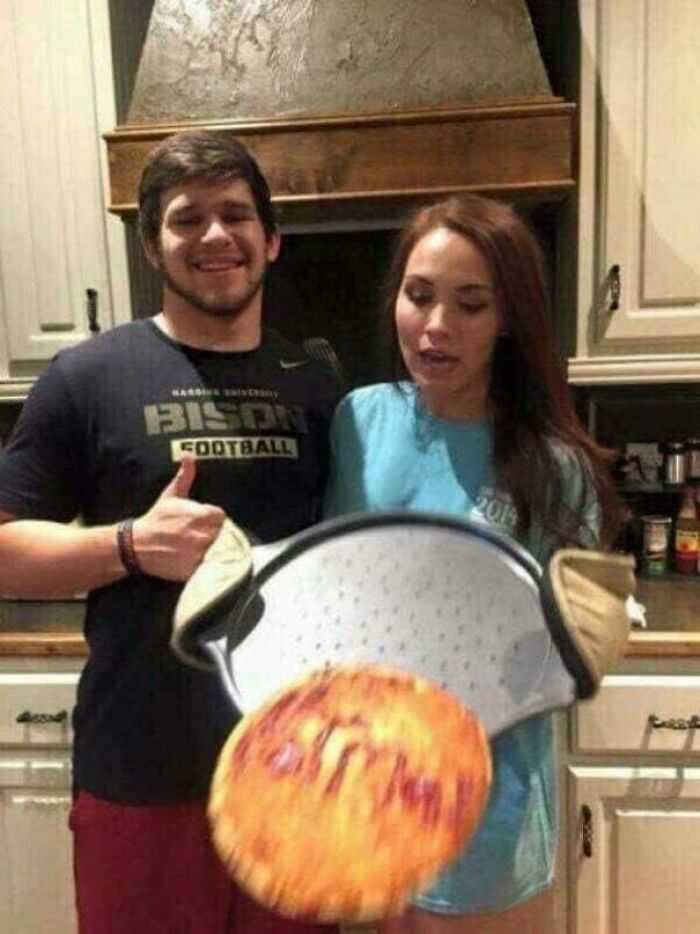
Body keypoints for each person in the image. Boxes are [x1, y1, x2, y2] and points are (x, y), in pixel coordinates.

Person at [0, 130, 340, 934]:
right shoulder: (87, 378)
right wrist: (126, 546)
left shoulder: (318, 387)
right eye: (188, 219)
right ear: (153, 243)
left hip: (293, 772)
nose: (216, 236)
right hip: (141, 771)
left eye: (236, 215)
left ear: (272, 239)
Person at [323, 194, 619, 934]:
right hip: (365, 800)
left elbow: (574, 651)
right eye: (418, 295)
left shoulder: (554, 466)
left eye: (470, 304)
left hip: (488, 807)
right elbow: (334, 586)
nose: (435, 327)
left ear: (509, 318)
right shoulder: (359, 421)